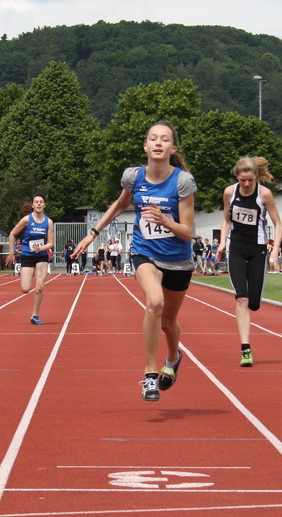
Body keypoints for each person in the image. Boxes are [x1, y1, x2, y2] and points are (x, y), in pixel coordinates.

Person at [71, 120, 196, 402]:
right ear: (145, 146)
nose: (158, 142)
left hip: (177, 260)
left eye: (165, 139)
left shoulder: (182, 182)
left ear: (173, 148)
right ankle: (150, 375)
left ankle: (173, 358)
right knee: (154, 302)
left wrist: (166, 220)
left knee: (168, 322)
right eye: (153, 138)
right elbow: (120, 205)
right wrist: (92, 235)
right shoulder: (134, 177)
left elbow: (188, 232)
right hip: (144, 252)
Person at [216, 156, 282, 367]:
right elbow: (226, 218)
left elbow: (278, 224)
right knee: (241, 299)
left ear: (256, 177)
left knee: (253, 303)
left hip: (257, 250)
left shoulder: (265, 194)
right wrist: (222, 242)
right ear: (237, 177)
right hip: (236, 248)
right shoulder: (229, 192)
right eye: (242, 180)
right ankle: (245, 349)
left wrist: (274, 252)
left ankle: (254, 299)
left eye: (250, 180)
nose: (246, 184)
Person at [6, 194, 55, 325]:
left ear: (44, 205)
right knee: (25, 289)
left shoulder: (49, 222)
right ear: (32, 205)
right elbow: (12, 234)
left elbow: (51, 243)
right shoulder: (26, 220)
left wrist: (41, 248)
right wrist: (11, 253)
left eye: (41, 202)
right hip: (27, 255)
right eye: (36, 202)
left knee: (40, 287)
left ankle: (35, 315)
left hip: (41, 256)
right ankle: (30, 274)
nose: (39, 204)